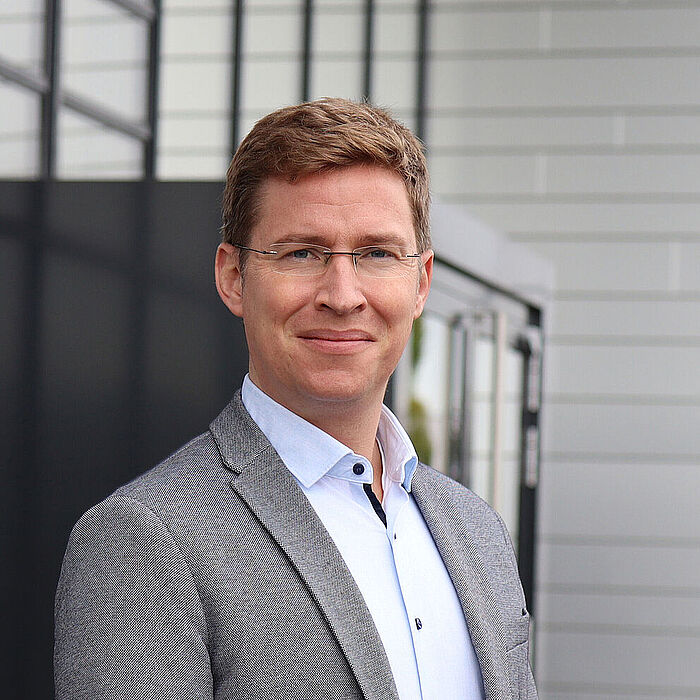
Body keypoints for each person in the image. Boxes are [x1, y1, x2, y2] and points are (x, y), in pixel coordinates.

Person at [54, 98, 537, 700]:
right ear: (233, 278)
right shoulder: (144, 539)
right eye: (302, 253)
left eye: (377, 254)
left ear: (421, 283)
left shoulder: (476, 529)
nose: (342, 294)